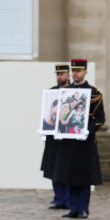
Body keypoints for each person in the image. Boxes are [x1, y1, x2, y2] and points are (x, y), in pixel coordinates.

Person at [52, 59, 105, 218]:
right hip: (68, 140)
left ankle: (83, 207)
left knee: (83, 175)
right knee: (69, 174)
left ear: (85, 72)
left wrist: (87, 130)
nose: (75, 74)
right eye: (73, 71)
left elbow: (100, 118)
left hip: (85, 141)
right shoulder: (65, 91)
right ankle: (73, 207)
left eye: (79, 71)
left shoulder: (94, 92)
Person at [42, 63, 70, 210]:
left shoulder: (74, 92)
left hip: (68, 138)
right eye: (58, 74)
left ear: (68, 75)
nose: (60, 76)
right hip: (53, 137)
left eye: (63, 74)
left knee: (67, 168)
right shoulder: (52, 92)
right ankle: (59, 198)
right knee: (54, 167)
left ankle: (68, 198)